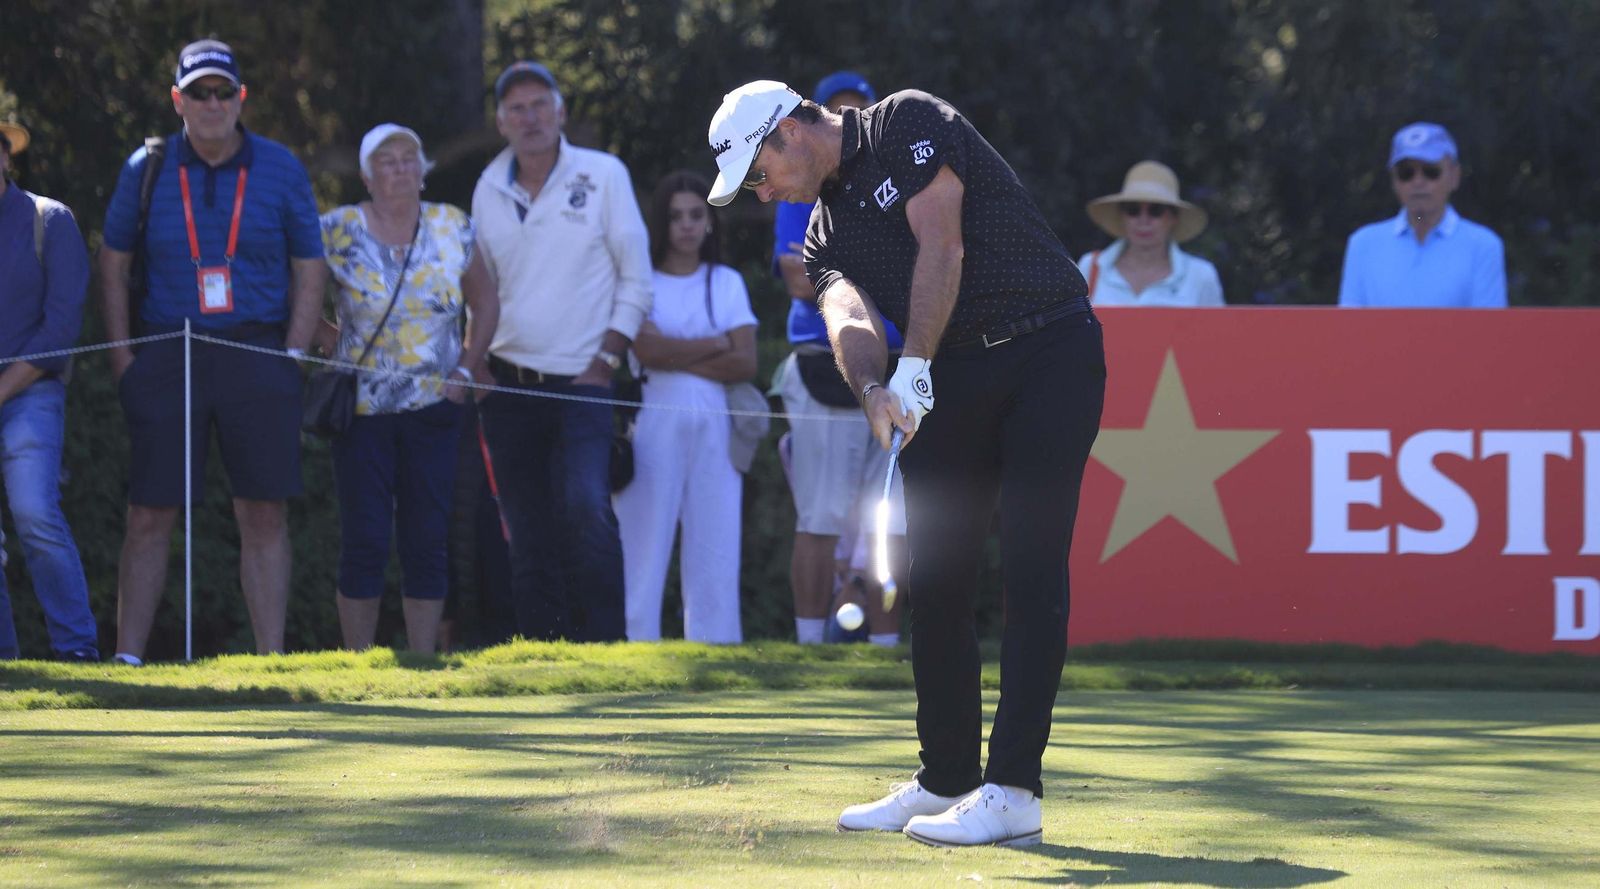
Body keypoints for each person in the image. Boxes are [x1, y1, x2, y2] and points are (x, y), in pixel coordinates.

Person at [707, 81, 1106, 847]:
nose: (763, 192)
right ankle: (948, 777)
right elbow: (846, 312)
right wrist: (872, 388)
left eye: (759, 173)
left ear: (787, 131)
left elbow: (942, 241)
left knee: (1030, 563)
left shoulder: (905, 120)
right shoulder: (821, 232)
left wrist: (914, 361)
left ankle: (1015, 788)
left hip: (1049, 348)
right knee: (938, 576)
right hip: (951, 372)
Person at [100, 40, 326, 663]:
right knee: (149, 512)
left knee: (263, 512)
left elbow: (310, 265)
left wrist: (294, 354)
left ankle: (271, 663)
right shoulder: (143, 167)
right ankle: (127, 662)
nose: (212, 103)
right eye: (198, 92)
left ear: (241, 99)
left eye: (224, 91)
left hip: (258, 350)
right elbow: (113, 263)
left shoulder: (279, 166)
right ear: (178, 100)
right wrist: (125, 362)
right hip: (168, 350)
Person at [471, 61, 652, 642]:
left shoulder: (604, 175)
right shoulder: (486, 187)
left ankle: (606, 651)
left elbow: (636, 280)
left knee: (586, 512)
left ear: (561, 112)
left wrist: (606, 361)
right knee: (524, 529)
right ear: (501, 122)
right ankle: (541, 658)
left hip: (584, 382)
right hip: (508, 383)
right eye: (517, 109)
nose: (530, 118)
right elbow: (480, 289)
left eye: (539, 105)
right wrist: (474, 362)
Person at [318, 124, 499, 653]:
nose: (399, 168)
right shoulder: (337, 228)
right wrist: (326, 342)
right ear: (367, 177)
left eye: (408, 159)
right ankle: (356, 661)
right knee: (365, 536)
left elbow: (485, 303)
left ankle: (422, 659)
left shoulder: (452, 224)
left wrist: (465, 370)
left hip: (435, 406)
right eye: (387, 161)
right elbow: (298, 292)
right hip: (361, 407)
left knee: (427, 537)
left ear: (422, 172)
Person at [770, 71, 907, 647]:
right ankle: (808, 648)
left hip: (903, 363)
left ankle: (883, 648)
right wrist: (883, 279)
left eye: (860, 114)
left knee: (894, 521)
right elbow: (798, 277)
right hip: (823, 364)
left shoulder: (899, 176)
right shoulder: (797, 179)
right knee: (820, 518)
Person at [613, 170, 757, 643]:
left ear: (709, 222)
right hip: (653, 417)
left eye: (697, 215)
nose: (688, 226)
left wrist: (677, 351)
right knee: (643, 539)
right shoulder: (642, 282)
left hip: (716, 424)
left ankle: (716, 647)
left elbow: (745, 361)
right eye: (676, 217)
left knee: (715, 541)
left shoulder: (727, 282)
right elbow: (646, 354)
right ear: (662, 224)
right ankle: (636, 644)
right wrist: (713, 343)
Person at [0, 121, 99, 661]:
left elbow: (59, 333)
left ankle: (78, 651)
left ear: (6, 158)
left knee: (35, 512)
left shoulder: (50, 219)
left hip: (32, 392)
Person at [1338, 122, 1506, 307]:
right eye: (1406, 173)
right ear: (1394, 181)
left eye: (1431, 171)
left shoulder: (1483, 247)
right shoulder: (1363, 245)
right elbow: (1350, 329)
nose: (1418, 182)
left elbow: (1488, 331)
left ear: (1454, 176)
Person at [1078, 161, 1223, 307]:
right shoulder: (1090, 267)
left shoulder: (1201, 276)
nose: (1143, 220)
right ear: (1122, 216)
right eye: (1133, 210)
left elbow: (1216, 329)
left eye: (1156, 211)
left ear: (1173, 218)